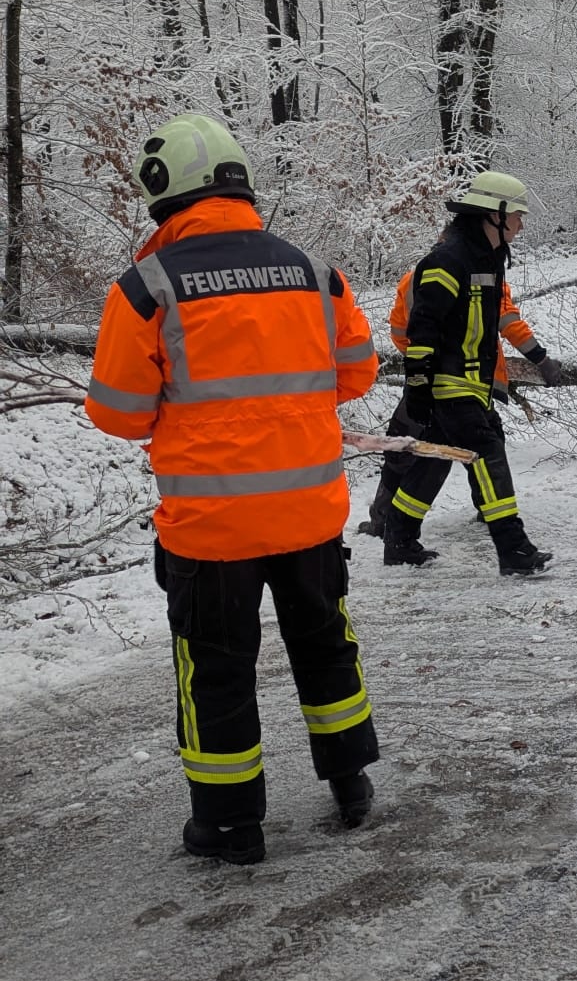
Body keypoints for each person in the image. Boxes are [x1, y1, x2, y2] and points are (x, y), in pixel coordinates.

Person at [84, 114, 380, 866]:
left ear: (164, 198)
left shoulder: (146, 288)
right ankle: (350, 782)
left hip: (209, 527)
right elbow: (357, 373)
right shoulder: (315, 272)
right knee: (324, 644)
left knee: (214, 668)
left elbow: (118, 417)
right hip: (310, 513)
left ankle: (229, 825)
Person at [380, 171, 560, 573]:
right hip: (450, 384)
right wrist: (420, 386)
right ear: (494, 214)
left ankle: (399, 539)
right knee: (486, 453)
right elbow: (423, 327)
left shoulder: (484, 260)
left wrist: (537, 355)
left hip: (473, 384)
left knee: (435, 459)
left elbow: (497, 319)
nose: (521, 224)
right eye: (517, 214)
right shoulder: (449, 260)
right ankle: (515, 550)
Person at [356, 255, 555, 539]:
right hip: (472, 383)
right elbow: (508, 322)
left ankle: (386, 521)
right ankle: (485, 510)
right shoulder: (482, 275)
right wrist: (541, 359)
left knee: (406, 444)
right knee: (482, 444)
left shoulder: (413, 279)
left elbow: (399, 332)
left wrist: (422, 364)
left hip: (428, 380)